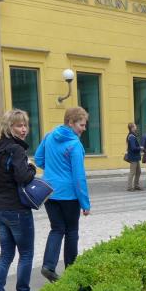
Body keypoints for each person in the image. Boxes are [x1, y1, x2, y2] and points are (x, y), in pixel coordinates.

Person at [0, 109, 37, 291]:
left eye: (25, 125)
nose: (24, 129)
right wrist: (31, 167)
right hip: (17, 210)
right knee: (26, 253)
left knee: (6, 254)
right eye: (18, 125)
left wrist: (0, 196)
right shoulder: (16, 150)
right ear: (9, 127)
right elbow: (23, 177)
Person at [35, 107, 92, 280]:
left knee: (57, 229)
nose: (84, 128)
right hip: (69, 195)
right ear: (71, 122)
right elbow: (79, 177)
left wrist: (52, 172)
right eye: (81, 125)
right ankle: (71, 270)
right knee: (72, 231)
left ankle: (48, 266)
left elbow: (38, 159)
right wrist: (85, 204)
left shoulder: (49, 136)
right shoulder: (75, 145)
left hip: (49, 192)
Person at [126, 122, 142, 191]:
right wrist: (140, 148)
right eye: (135, 126)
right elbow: (133, 148)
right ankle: (129, 187)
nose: (136, 127)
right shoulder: (131, 136)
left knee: (138, 171)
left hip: (135, 157)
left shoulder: (133, 135)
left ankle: (136, 185)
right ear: (132, 128)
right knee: (132, 172)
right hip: (133, 157)